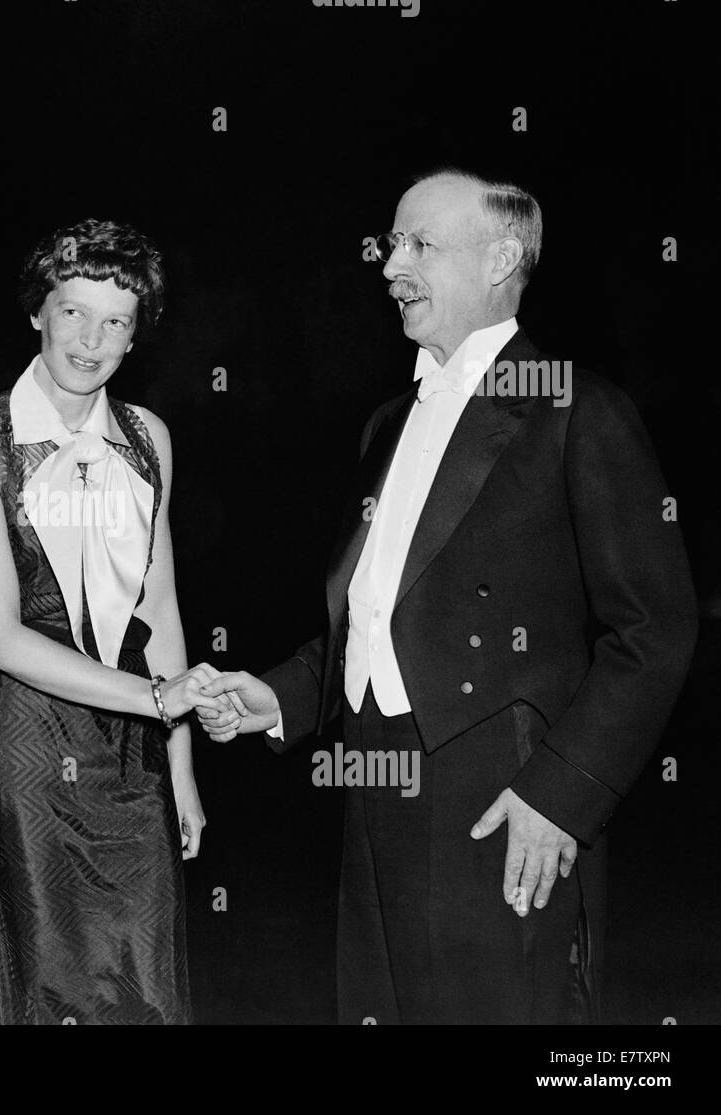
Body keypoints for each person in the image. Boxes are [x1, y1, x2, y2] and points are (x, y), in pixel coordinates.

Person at [198, 168, 697, 1024]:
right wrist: (279, 695)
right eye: (392, 244)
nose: (391, 266)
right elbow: (380, 610)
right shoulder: (387, 421)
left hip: (500, 792)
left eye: (418, 244)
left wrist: (562, 793)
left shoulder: (576, 408)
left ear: (503, 258)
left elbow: (655, 628)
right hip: (371, 782)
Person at [0, 217, 230, 1024]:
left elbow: (158, 607)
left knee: (146, 985)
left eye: (117, 321)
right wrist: (156, 700)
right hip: (31, 742)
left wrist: (183, 766)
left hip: (134, 749)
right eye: (74, 312)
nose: (92, 339)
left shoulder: (148, 438)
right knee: (55, 985)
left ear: (137, 336)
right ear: (38, 312)